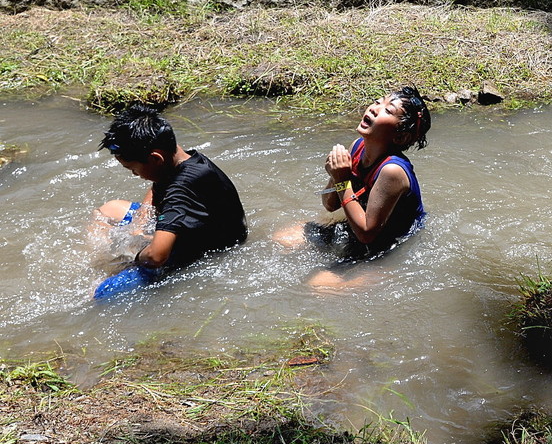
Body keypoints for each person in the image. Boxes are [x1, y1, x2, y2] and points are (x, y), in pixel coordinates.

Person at [94, 104, 247, 297]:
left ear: (156, 159)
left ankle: (103, 269)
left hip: (204, 249)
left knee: (102, 293)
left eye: (133, 169)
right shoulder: (180, 158)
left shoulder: (181, 191)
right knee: (108, 210)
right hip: (196, 227)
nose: (134, 174)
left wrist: (131, 255)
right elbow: (158, 186)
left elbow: (156, 256)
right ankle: (99, 263)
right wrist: (142, 218)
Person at [274, 86, 431, 263]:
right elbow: (330, 205)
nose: (374, 108)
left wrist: (342, 180)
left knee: (321, 280)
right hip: (357, 228)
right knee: (281, 239)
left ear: (400, 137)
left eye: (388, 110)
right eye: (377, 102)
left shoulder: (392, 171)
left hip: (389, 245)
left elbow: (366, 234)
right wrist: (335, 175)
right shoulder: (357, 146)